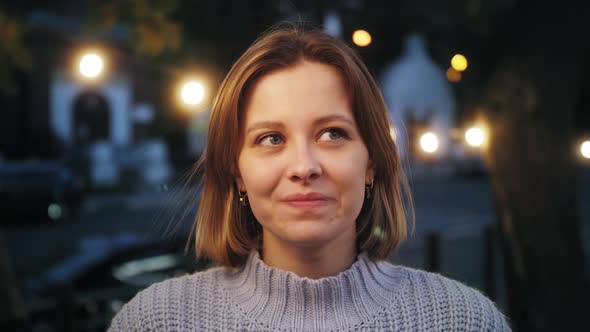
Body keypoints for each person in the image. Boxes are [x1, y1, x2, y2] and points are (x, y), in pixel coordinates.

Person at [109, 25, 511, 331]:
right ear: (237, 172)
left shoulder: (462, 321)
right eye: (271, 138)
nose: (304, 166)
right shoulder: (156, 322)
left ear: (371, 162)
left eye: (333, 134)